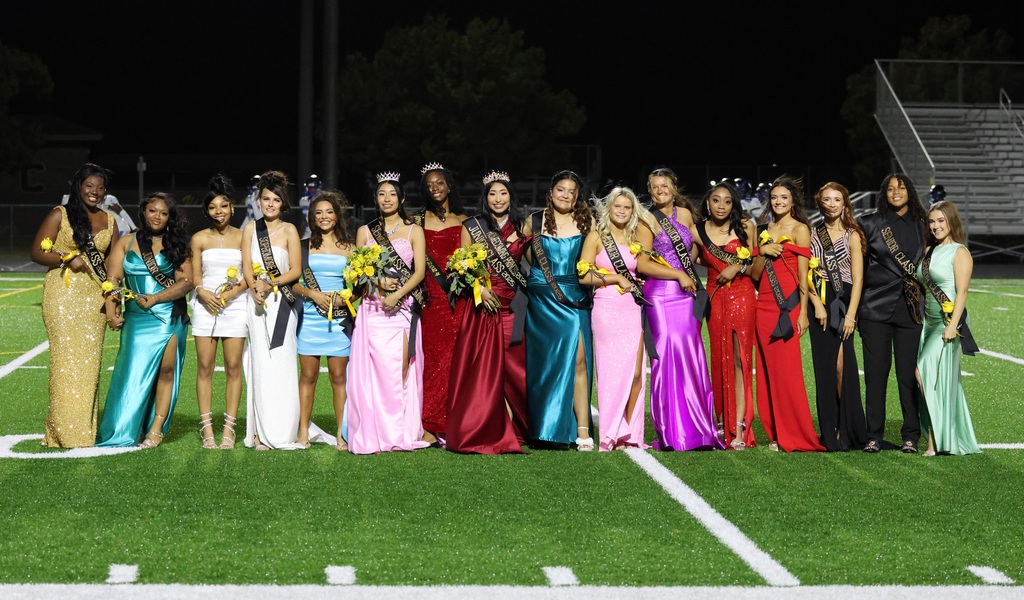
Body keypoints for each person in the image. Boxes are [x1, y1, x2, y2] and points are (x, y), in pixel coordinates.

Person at [241, 171, 333, 450]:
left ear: (283, 204)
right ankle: (259, 433)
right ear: (258, 201)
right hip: (255, 302)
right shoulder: (249, 229)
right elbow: (246, 265)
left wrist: (270, 282)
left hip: (282, 302)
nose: (270, 204)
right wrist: (254, 287)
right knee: (258, 363)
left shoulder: (291, 230)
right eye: (265, 199)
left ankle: (283, 427)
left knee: (280, 364)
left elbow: (294, 270)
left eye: (275, 200)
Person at [30, 163, 119, 448]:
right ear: (79, 186)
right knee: (65, 363)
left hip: (94, 298)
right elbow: (36, 252)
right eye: (89, 186)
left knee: (89, 365)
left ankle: (82, 433)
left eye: (100, 187)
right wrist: (65, 258)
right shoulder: (61, 214)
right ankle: (61, 433)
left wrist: (112, 301)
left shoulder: (110, 220)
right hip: (62, 294)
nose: (95, 192)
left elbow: (112, 265)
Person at [96, 192, 193, 447]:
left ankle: (155, 429)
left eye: (164, 212)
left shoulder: (178, 244)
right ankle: (122, 429)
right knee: (130, 374)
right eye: (153, 211)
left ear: (170, 217)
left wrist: (156, 298)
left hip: (168, 317)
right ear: (143, 212)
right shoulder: (126, 242)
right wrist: (111, 311)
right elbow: (113, 280)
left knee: (166, 372)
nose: (157, 217)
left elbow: (186, 283)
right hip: (137, 319)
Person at [636, 167, 723, 451]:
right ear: (650, 191)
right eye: (654, 187)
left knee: (691, 354)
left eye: (665, 186)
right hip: (660, 294)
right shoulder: (645, 219)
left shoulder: (686, 215)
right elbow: (644, 264)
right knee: (666, 357)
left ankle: (698, 429)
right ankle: (672, 431)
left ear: (674, 187)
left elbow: (696, 249)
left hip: (686, 295)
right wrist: (678, 274)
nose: (660, 191)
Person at [445, 170, 531, 454]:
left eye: (503, 193)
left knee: (515, 370)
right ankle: (481, 428)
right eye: (492, 194)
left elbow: (532, 268)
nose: (498, 199)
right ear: (485, 198)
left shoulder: (522, 227)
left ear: (510, 196)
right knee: (482, 370)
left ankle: (522, 426)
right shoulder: (471, 226)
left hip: (512, 307)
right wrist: (479, 289)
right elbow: (460, 264)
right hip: (483, 306)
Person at [347, 172, 430, 454]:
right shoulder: (365, 231)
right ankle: (375, 431)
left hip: (403, 307)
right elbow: (358, 271)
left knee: (398, 368)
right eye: (381, 194)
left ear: (402, 198)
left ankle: (397, 430)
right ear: (375, 199)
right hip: (373, 307)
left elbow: (419, 271)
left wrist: (396, 293)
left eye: (392, 194)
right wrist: (378, 283)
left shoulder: (413, 230)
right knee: (374, 371)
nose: (386, 199)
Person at [749, 176, 824, 452]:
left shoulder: (801, 229)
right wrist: (762, 251)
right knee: (767, 372)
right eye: (774, 197)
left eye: (784, 197)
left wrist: (803, 312)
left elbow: (805, 275)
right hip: (763, 306)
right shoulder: (764, 229)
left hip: (788, 307)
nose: (778, 202)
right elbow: (755, 274)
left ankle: (795, 433)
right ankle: (775, 433)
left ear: (793, 201)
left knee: (788, 372)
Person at [523, 170, 595, 450]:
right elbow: (525, 256)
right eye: (560, 190)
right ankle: (545, 427)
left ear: (578, 197)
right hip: (541, 303)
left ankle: (582, 430)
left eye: (571, 192)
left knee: (579, 359)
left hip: (573, 298)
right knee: (545, 364)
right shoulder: (534, 221)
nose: (565, 195)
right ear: (551, 192)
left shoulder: (587, 222)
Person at [578, 186, 652, 451]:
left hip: (632, 309)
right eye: (617, 206)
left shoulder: (635, 238)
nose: (621, 211)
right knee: (612, 374)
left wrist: (634, 279)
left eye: (627, 207)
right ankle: (612, 433)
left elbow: (641, 269)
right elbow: (584, 276)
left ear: (633, 211)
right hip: (607, 308)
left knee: (635, 375)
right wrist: (615, 277)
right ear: (608, 209)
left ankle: (631, 433)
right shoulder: (596, 236)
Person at [858, 173, 927, 454]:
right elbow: (859, 269)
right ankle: (873, 435)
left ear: (909, 191)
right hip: (875, 308)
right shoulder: (870, 223)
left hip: (910, 310)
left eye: (901, 188)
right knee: (875, 375)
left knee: (907, 375)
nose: (896, 192)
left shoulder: (924, 225)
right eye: (890, 188)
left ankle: (910, 435)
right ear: (883, 193)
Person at [692, 181, 757, 449]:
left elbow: (754, 263)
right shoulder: (697, 231)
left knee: (740, 359)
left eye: (727, 201)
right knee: (720, 358)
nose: (721, 206)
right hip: (714, 297)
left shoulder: (746, 226)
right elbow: (689, 261)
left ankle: (740, 426)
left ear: (733, 205)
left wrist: (737, 268)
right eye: (716, 200)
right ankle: (722, 422)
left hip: (742, 295)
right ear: (708, 203)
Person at [916, 201, 981, 456]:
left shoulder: (960, 252)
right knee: (936, 381)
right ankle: (942, 436)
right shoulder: (929, 250)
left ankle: (935, 441)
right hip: (928, 324)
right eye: (932, 222)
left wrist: (953, 325)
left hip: (947, 324)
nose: (936, 226)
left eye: (941, 221)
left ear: (951, 222)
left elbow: (962, 292)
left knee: (924, 375)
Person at [807, 182, 868, 451]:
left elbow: (858, 278)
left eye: (837, 200)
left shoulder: (852, 235)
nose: (832, 204)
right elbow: (803, 275)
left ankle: (847, 429)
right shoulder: (810, 234)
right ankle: (829, 432)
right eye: (827, 200)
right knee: (825, 370)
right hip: (819, 302)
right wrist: (816, 304)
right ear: (820, 202)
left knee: (843, 368)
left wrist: (852, 314)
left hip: (843, 304)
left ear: (845, 204)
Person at [293, 190, 355, 450]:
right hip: (310, 318)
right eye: (318, 212)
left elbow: (359, 284)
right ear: (311, 217)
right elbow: (292, 283)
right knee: (307, 376)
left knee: (339, 377)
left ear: (337, 215)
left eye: (329, 212)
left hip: (340, 321)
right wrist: (311, 293)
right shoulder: (302, 245)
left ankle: (342, 434)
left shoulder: (350, 247)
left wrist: (346, 297)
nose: (324, 217)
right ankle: (302, 432)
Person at [189, 174, 248, 449]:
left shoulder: (243, 236)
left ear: (232, 208)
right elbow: (195, 276)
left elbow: (249, 274)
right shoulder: (199, 238)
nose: (219, 212)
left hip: (235, 307)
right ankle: (207, 429)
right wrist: (202, 293)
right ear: (207, 211)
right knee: (205, 367)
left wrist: (231, 293)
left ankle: (229, 429)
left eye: (223, 206)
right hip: (205, 308)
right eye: (213, 208)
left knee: (234, 367)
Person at [414, 162, 468, 443]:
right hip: (428, 300)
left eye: (439, 183)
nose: (434, 188)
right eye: (429, 185)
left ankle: (453, 420)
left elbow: (473, 259)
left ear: (449, 185)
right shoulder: (417, 221)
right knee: (431, 359)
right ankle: (428, 423)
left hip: (456, 299)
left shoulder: (463, 220)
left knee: (455, 360)